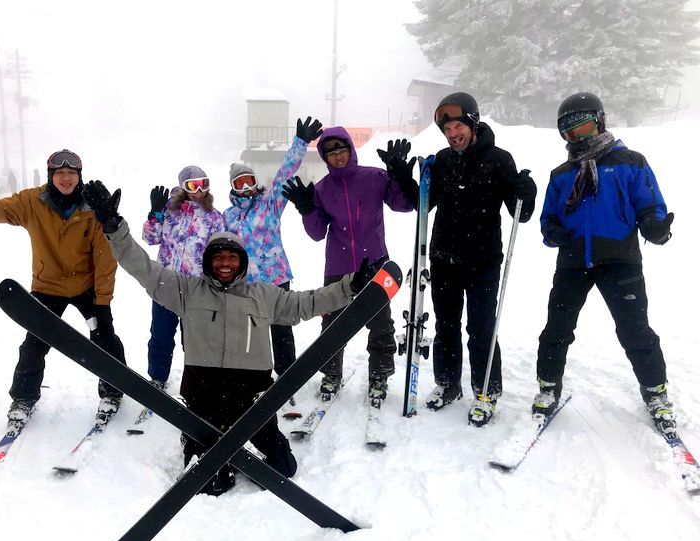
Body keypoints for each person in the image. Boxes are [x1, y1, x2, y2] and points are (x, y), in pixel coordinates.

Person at [81, 179, 379, 495]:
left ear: (242, 262)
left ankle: (239, 449)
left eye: (232, 258)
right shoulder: (187, 291)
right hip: (204, 397)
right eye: (218, 258)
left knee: (283, 470)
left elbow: (308, 303)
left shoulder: (263, 295)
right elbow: (142, 267)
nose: (225, 263)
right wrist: (114, 227)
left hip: (252, 398)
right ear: (208, 262)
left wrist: (349, 287)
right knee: (210, 484)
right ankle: (202, 446)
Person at [0, 149, 127, 434]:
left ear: (78, 176)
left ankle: (113, 389)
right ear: (50, 175)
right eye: (60, 173)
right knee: (34, 344)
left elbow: (105, 255)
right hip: (48, 287)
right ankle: (22, 399)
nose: (66, 178)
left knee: (104, 336)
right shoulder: (32, 201)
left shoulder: (93, 204)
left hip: (87, 285)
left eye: (72, 173)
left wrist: (102, 301)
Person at [533, 92, 675, 437]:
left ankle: (656, 392)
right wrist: (553, 232)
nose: (577, 137)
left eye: (581, 127)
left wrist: (655, 227)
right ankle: (548, 386)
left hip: (619, 261)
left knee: (634, 329)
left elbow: (650, 204)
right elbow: (548, 219)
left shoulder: (630, 162)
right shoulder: (562, 173)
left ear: (599, 121)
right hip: (572, 262)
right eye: (568, 132)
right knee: (557, 327)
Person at [415, 92, 537, 427]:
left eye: (457, 125)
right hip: (444, 259)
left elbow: (519, 214)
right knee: (447, 325)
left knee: (481, 328)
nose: (452, 133)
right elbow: (423, 204)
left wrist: (526, 192)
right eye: (446, 129)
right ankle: (449, 384)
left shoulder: (499, 159)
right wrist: (401, 174)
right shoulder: (442, 160)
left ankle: (486, 391)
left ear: (472, 122)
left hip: (482, 261)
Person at [281, 127, 416, 405]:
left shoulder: (374, 177)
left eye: (342, 150)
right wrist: (307, 209)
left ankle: (379, 377)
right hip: (339, 267)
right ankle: (331, 374)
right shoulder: (321, 189)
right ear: (325, 157)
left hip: (376, 263)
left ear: (350, 150)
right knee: (332, 324)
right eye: (331, 153)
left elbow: (403, 205)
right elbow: (317, 233)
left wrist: (399, 175)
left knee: (380, 323)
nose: (338, 157)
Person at [223, 116, 322, 382]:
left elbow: (285, 174)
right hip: (246, 284)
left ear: (255, 182)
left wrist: (300, 143)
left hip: (277, 278)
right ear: (232, 188)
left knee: (281, 329)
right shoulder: (228, 217)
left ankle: (286, 374)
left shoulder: (270, 204)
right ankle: (255, 374)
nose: (245, 187)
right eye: (239, 183)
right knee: (252, 330)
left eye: (248, 181)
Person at [142, 167, 224, 390]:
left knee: (195, 338)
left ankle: (197, 377)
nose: (198, 191)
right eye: (192, 185)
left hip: (197, 288)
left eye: (203, 184)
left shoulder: (214, 217)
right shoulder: (170, 212)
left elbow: (219, 253)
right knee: (160, 335)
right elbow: (150, 238)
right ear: (183, 187)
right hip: (165, 285)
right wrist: (155, 214)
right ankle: (157, 377)